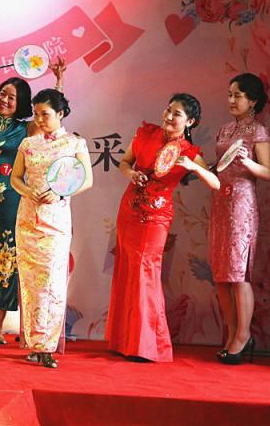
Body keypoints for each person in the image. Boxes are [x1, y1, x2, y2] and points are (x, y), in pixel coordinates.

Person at [105, 93, 220, 362]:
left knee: (146, 271)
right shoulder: (147, 133)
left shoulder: (189, 152)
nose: (168, 116)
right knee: (127, 269)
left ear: (190, 122)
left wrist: (193, 167)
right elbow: (124, 162)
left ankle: (146, 346)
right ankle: (123, 341)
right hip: (129, 210)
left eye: (177, 114)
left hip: (156, 217)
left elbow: (215, 183)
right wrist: (131, 174)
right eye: (168, 110)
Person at [0, 59, 65, 345]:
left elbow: (52, 118)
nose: (5, 99)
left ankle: (23, 326)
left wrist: (58, 82)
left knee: (18, 262)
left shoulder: (26, 129)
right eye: (2, 94)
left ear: (21, 104)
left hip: (16, 203)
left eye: (12, 97)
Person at [9, 88, 93, 368]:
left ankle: (47, 346)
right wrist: (28, 191)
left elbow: (86, 180)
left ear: (61, 113)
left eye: (45, 114)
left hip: (56, 220)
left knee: (53, 283)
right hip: (27, 218)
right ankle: (33, 344)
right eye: (36, 114)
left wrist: (59, 193)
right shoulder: (28, 143)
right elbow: (15, 179)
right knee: (30, 283)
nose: (39, 119)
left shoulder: (75, 143)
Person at [209, 73, 270, 364]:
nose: (232, 100)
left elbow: (267, 172)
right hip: (220, 203)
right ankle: (232, 333)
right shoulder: (224, 130)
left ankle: (244, 335)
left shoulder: (258, 131)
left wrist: (247, 162)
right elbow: (219, 167)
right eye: (230, 94)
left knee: (238, 273)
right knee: (221, 274)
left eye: (238, 95)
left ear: (253, 100)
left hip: (242, 206)